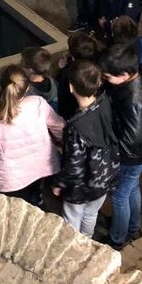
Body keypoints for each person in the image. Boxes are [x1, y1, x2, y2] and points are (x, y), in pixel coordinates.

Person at [99, 44, 142, 250]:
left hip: (135, 155)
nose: (104, 79)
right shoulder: (140, 70)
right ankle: (132, 227)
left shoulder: (135, 100)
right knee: (131, 187)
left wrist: (108, 153)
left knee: (119, 196)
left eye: (107, 76)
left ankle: (117, 239)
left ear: (125, 75)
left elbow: (129, 142)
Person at [0, 65, 65, 205]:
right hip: (38, 168)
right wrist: (63, 141)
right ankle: (37, 203)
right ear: (27, 89)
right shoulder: (38, 103)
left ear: (2, 87)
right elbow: (59, 127)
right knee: (34, 200)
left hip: (9, 178)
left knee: (12, 208)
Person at [51, 60, 120, 238]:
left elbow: (74, 165)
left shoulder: (76, 126)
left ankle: (74, 247)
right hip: (104, 177)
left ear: (71, 87)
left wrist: (59, 183)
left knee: (72, 218)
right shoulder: (105, 102)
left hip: (81, 188)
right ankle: (87, 241)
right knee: (90, 214)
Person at [56, 31, 102, 120]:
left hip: (72, 110)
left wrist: (62, 69)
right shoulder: (98, 64)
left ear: (72, 55)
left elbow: (63, 95)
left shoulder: (68, 73)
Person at [20, 47, 58, 111]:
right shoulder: (52, 81)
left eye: (21, 64)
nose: (20, 66)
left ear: (30, 70)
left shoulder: (28, 91)